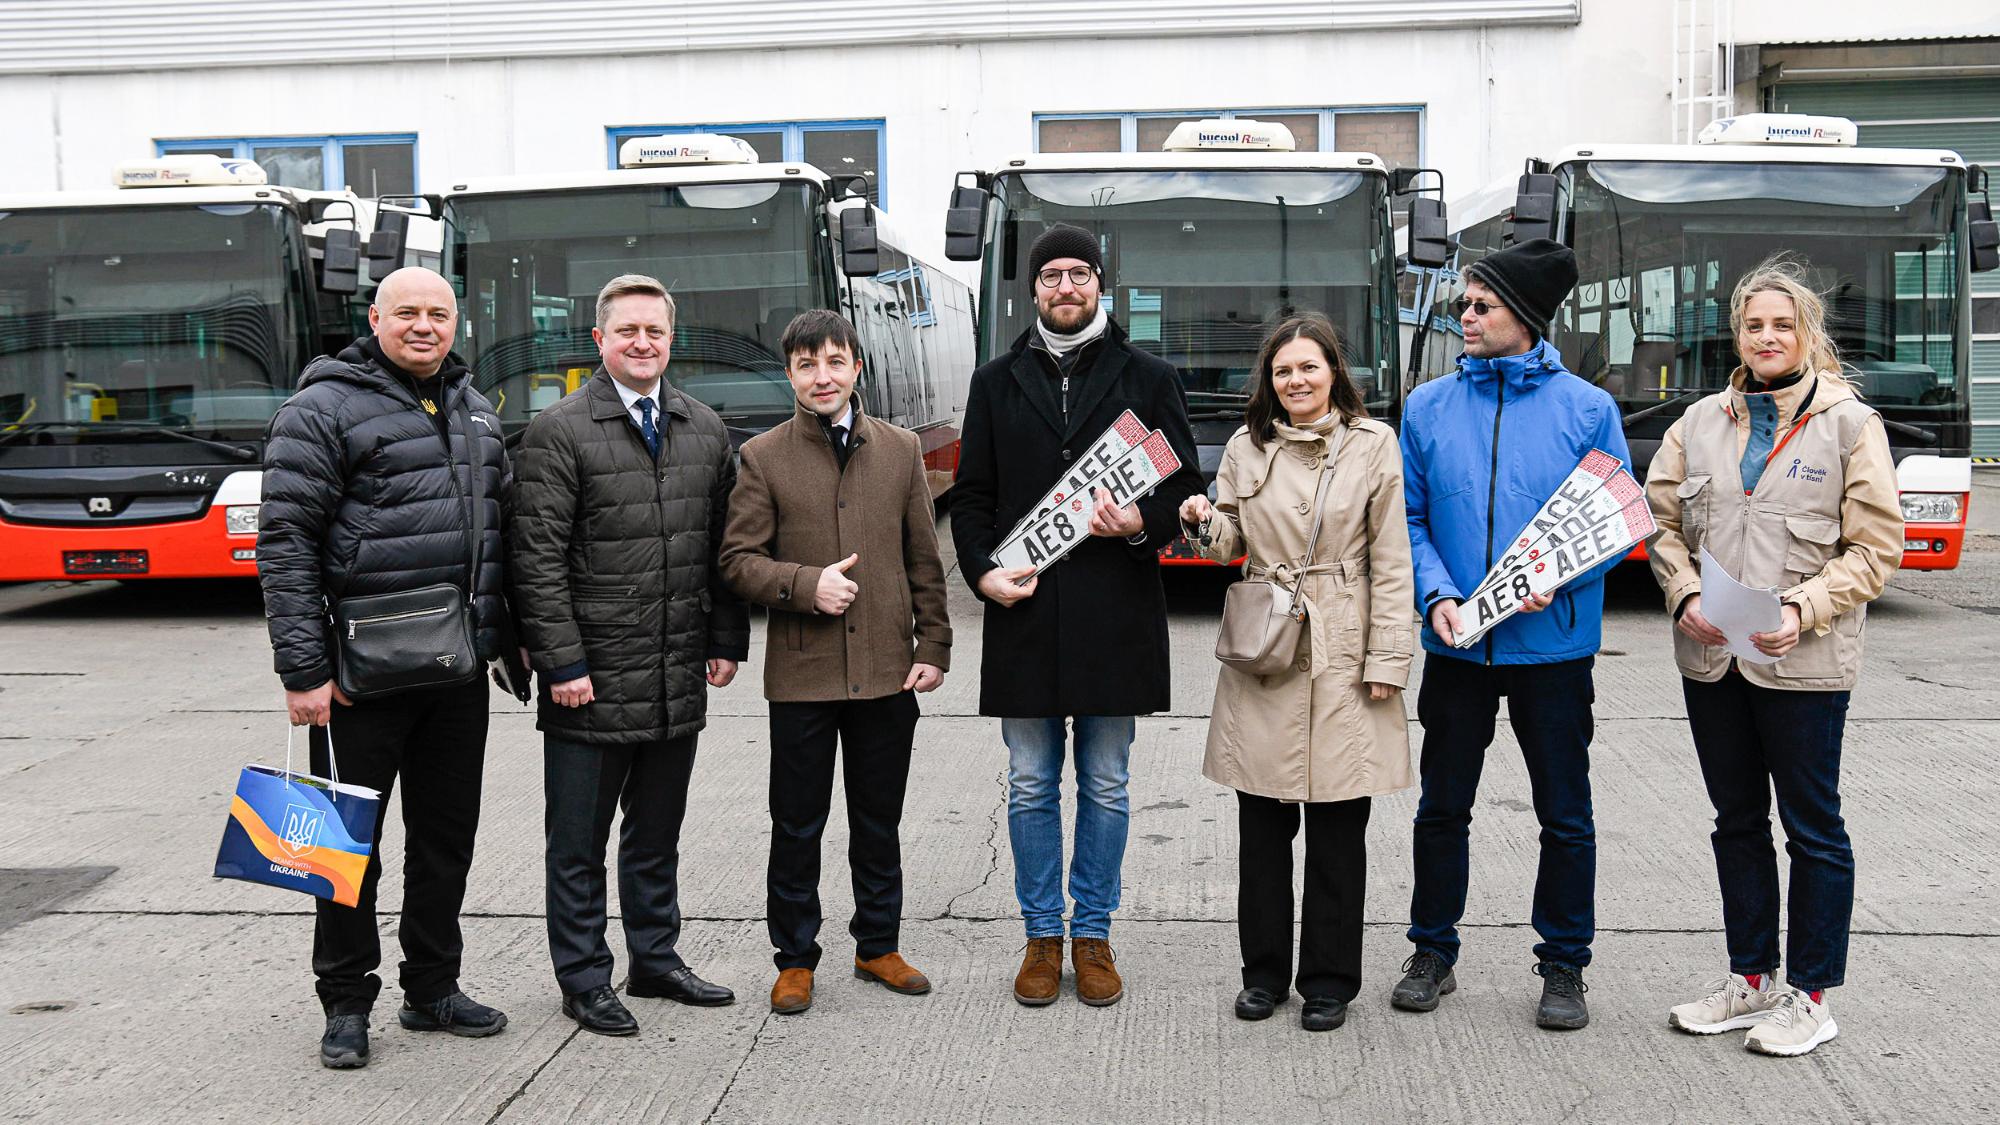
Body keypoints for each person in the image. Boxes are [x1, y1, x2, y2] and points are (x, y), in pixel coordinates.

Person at [1645, 256, 1900, 1057]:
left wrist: (1803, 605)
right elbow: (1659, 526)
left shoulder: (1850, 425)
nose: (1766, 336)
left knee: (1813, 828)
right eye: (1753, 325)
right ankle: (1750, 979)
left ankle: (1811, 994)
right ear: (1737, 334)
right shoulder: (1697, 424)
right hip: (1713, 660)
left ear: (1806, 332)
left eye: (1781, 324)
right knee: (1736, 822)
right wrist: (1684, 596)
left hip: (1804, 665)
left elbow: (1876, 548)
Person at [258, 266, 512, 1069]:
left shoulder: (476, 409)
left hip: (453, 672)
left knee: (445, 841)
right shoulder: (321, 408)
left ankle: (433, 986)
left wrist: (504, 639)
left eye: (439, 313)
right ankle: (345, 1002)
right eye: (408, 312)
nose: (425, 326)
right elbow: (286, 542)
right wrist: (303, 669)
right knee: (344, 851)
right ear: (376, 317)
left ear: (456, 321)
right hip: (355, 676)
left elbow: (495, 540)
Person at [950, 223, 1203, 1008]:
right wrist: (982, 574)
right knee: (1029, 783)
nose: (1066, 286)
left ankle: (1092, 935)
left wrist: (1142, 526)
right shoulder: (994, 381)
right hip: (1023, 611)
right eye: (1052, 275)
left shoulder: (1149, 375)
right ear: (1033, 291)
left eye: (1080, 274)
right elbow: (974, 498)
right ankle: (1040, 937)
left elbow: (1183, 484)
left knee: (1106, 781)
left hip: (1113, 612)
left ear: (1101, 285)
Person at [1394, 238, 1630, 1030]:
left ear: (1523, 318)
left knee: (1565, 812)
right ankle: (1433, 949)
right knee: (1441, 808)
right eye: (1463, 302)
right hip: (1456, 642)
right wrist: (1436, 595)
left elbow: (1619, 522)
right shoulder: (1426, 407)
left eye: (1480, 304)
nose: (1464, 314)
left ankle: (1564, 964)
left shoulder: (1589, 409)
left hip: (1552, 648)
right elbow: (1412, 519)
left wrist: (1559, 578)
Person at [509, 273, 750, 1037]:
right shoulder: (560, 430)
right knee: (578, 843)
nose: (642, 343)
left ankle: (655, 958)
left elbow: (725, 548)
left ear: (670, 339)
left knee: (656, 833)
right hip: (590, 675)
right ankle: (584, 977)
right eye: (627, 332)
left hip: (676, 668)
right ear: (599, 342)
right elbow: (536, 560)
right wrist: (562, 663)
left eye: (655, 331)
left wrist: (724, 639)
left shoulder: (704, 428)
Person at [1178, 313, 1414, 1033]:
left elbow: (1392, 560)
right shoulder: (1248, 449)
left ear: (1334, 372)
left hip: (1344, 641)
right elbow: (1228, 546)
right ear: (1270, 382)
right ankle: (1263, 974)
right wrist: (1199, 522)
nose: (1296, 381)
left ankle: (1330, 981)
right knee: (1262, 826)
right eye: (1283, 371)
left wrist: (1388, 660)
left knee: (1340, 829)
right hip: (1268, 645)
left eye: (1308, 368)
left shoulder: (1373, 445)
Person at [719, 309, 952, 1015]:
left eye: (834, 361)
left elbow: (923, 556)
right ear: (790, 374)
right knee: (797, 824)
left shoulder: (901, 448)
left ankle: (878, 943)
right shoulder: (762, 457)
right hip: (803, 676)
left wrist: (934, 644)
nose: (822, 376)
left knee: (878, 821)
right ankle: (794, 957)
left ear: (857, 366)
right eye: (806, 364)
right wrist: (803, 583)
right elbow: (736, 560)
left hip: (887, 669)